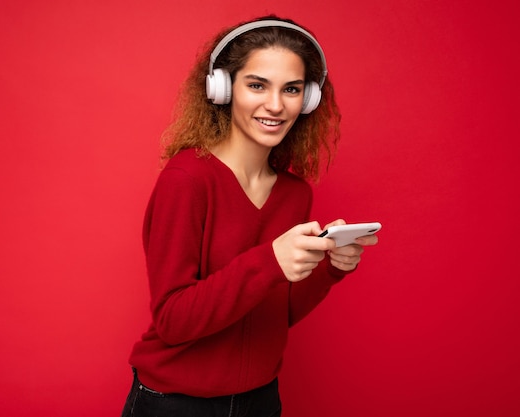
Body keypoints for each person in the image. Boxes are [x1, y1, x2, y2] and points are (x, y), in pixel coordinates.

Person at [120, 15, 378, 417]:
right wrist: (270, 260)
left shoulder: (294, 194)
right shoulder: (187, 179)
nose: (275, 105)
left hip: (260, 400)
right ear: (222, 89)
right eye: (257, 85)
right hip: (176, 404)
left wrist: (330, 268)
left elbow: (278, 314)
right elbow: (172, 320)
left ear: (308, 99)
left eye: (291, 89)